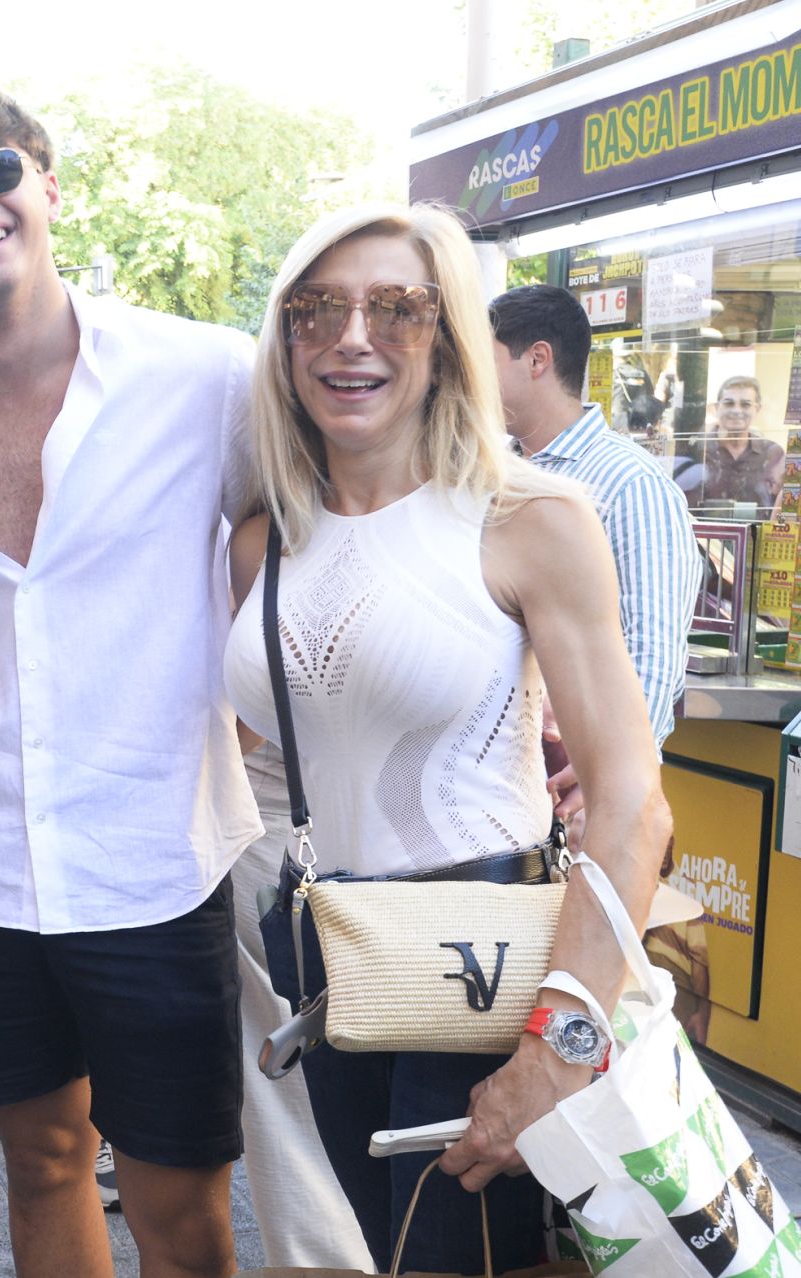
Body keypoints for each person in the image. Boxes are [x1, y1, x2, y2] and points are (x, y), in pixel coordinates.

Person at [0, 84, 260, 1278]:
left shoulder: (204, 377)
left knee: (180, 1201)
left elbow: (305, 537)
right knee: (39, 1168)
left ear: (46, 189)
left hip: (152, 856)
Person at [224, 203, 672, 1274]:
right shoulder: (264, 543)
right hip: (336, 963)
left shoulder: (527, 518)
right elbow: (274, 745)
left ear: (450, 336)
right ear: (283, 341)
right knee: (393, 1254)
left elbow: (631, 800)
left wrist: (561, 1045)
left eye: (398, 307)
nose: (353, 336)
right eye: (316, 309)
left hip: (488, 969)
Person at [490, 284, 700, 764]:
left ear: (536, 359)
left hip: (578, 771)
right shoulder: (498, 471)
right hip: (502, 776)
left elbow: (652, 653)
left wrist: (610, 782)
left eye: (486, 360)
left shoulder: (630, 483)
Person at [685, 375, 781, 512]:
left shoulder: (773, 453)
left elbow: (784, 508)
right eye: (729, 403)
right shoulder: (696, 450)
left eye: (745, 404)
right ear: (717, 408)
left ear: (757, 409)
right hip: (701, 533)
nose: (736, 411)